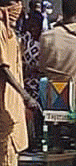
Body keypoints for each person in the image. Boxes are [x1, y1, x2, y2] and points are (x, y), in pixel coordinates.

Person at [0, 0, 39, 166]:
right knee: (7, 158)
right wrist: (25, 95)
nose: (18, 7)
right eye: (14, 2)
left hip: (10, 104)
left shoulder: (11, 33)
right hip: (5, 106)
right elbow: (3, 68)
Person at [20, 12, 43, 151]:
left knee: (37, 113)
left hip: (38, 83)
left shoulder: (44, 42)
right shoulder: (22, 40)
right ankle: (28, 140)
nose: (33, 28)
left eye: (36, 25)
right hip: (24, 82)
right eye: (31, 25)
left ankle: (35, 139)